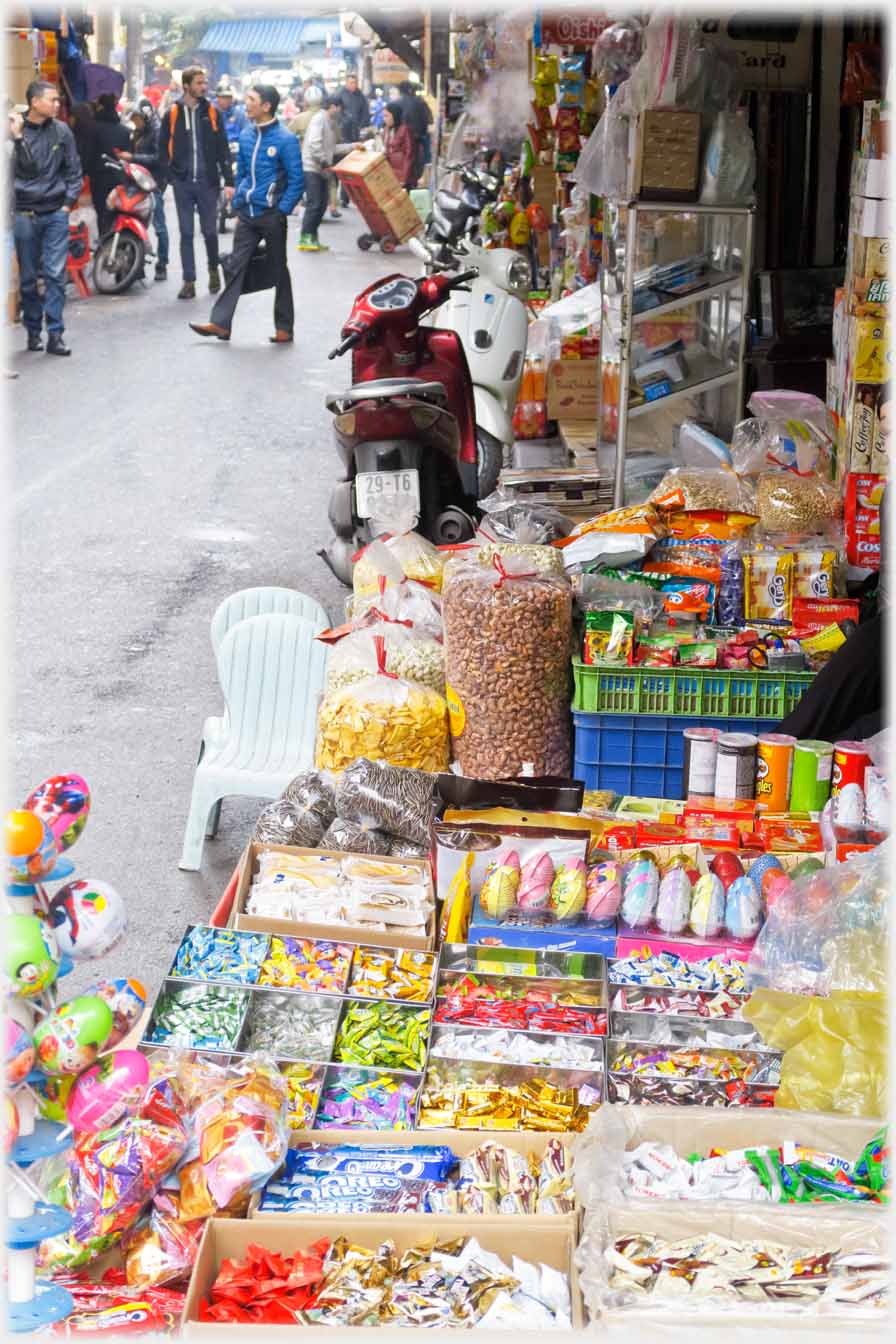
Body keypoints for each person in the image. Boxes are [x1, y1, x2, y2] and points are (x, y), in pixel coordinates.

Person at [188, 83, 303, 345]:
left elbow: (297, 181)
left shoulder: (285, 140)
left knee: (278, 270)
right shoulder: (247, 134)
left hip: (272, 216)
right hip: (248, 215)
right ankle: (220, 324)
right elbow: (241, 173)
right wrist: (239, 200)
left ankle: (284, 327)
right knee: (235, 265)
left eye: (251, 99)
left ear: (266, 106)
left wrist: (281, 211)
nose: (246, 102)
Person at [10, 81, 82, 356]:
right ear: (35, 102)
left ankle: (55, 333)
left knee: (54, 274)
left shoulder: (62, 132)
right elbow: (21, 171)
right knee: (28, 279)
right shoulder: (14, 132)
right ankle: (32, 330)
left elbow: (73, 170)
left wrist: (66, 205)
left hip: (55, 213)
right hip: (24, 214)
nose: (57, 105)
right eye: (52, 100)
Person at [158, 66, 232, 300]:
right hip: (183, 183)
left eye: (205, 82)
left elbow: (223, 147)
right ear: (187, 85)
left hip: (208, 183)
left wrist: (228, 180)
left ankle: (213, 269)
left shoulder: (212, 112)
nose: (204, 86)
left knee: (210, 231)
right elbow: (161, 148)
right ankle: (189, 281)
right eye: (199, 83)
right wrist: (170, 176)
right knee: (186, 232)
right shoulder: (172, 113)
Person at [298, 94, 361, 252]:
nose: (340, 111)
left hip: (322, 168)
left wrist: (353, 146)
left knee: (321, 204)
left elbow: (332, 149)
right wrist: (324, 162)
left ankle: (313, 237)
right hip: (313, 168)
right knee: (314, 204)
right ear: (333, 106)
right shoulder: (319, 119)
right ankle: (305, 238)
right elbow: (314, 144)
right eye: (339, 108)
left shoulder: (330, 123)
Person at [118, 100, 169, 281]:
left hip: (153, 184)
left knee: (159, 227)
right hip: (137, 182)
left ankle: (162, 263)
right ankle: (135, 263)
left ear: (145, 117)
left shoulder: (157, 132)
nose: (136, 122)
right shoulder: (137, 133)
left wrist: (133, 157)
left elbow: (159, 158)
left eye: (138, 118)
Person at [92, 93, 131, 236]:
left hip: (99, 178)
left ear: (101, 106)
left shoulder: (93, 129)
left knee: (102, 212)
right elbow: (128, 156)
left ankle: (104, 240)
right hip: (119, 178)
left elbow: (89, 154)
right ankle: (115, 240)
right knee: (117, 211)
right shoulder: (124, 131)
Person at [398, 80, 433, 187]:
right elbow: (430, 120)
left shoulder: (397, 103)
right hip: (419, 140)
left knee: (404, 166)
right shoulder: (420, 102)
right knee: (418, 165)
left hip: (402, 142)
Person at [382, 101, 415, 190]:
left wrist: (404, 178)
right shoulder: (386, 130)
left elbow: (409, 155)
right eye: (383, 116)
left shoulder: (405, 130)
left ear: (395, 115)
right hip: (390, 173)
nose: (384, 119)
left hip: (403, 175)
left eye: (387, 116)